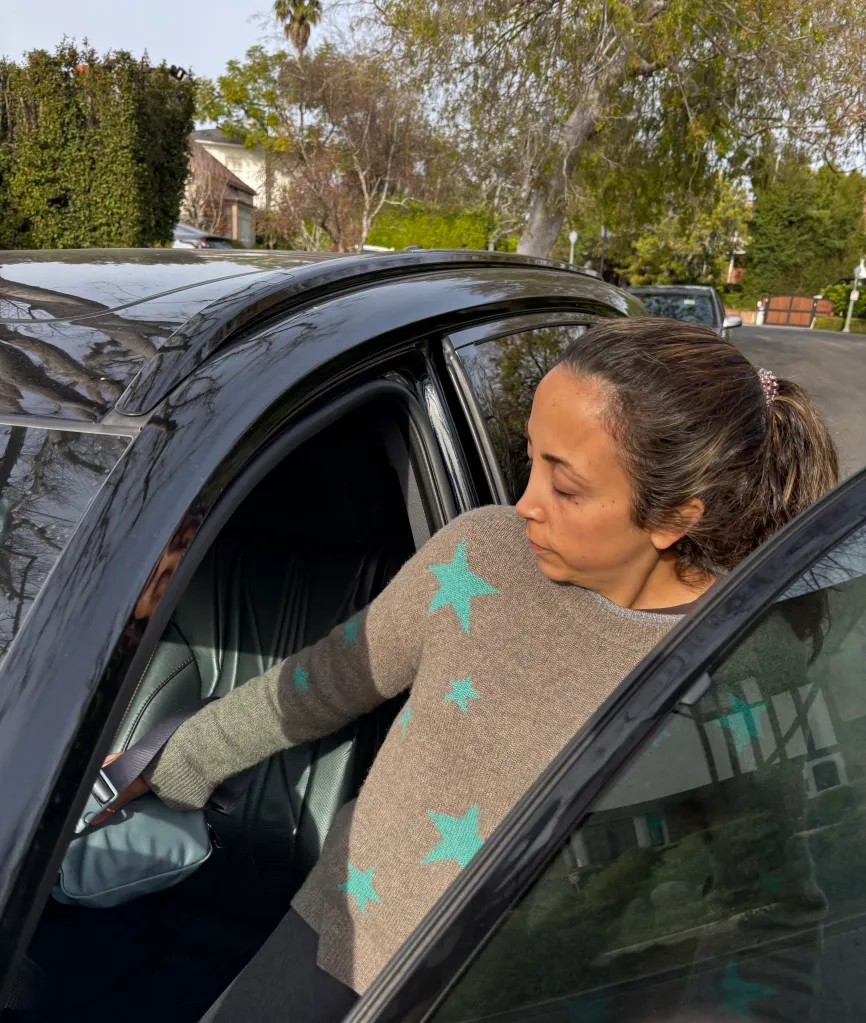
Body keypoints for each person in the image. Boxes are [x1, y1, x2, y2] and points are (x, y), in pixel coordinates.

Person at [92, 318, 839, 1023]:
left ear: (676, 516)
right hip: (338, 929)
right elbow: (323, 680)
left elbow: (771, 903)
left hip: (502, 997)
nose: (523, 504)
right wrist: (175, 757)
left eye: (564, 484)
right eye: (528, 458)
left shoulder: (740, 653)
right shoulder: (478, 556)